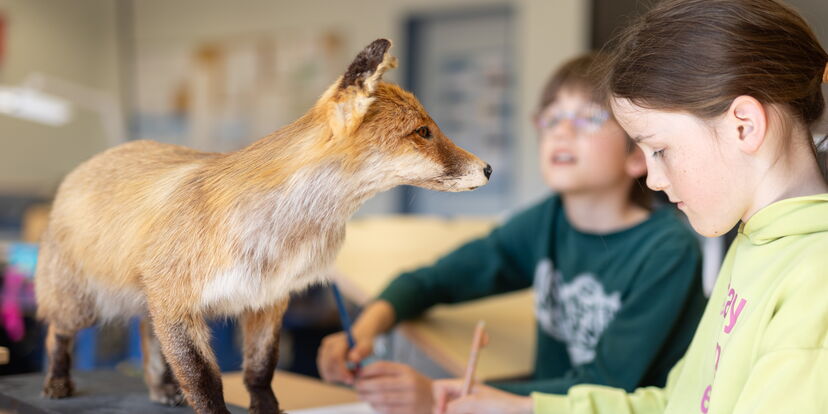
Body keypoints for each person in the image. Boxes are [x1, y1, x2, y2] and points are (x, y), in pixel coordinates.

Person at [433, 1, 828, 413]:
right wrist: (524, 408)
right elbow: (675, 404)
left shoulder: (816, 284)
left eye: (659, 149)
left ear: (743, 125)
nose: (653, 179)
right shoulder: (754, 243)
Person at [318, 52, 706, 414]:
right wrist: (365, 329)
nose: (561, 133)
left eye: (588, 118)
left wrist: (444, 396)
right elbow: (433, 281)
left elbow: (605, 385)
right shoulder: (546, 220)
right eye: (551, 118)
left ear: (638, 154)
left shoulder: (669, 251)